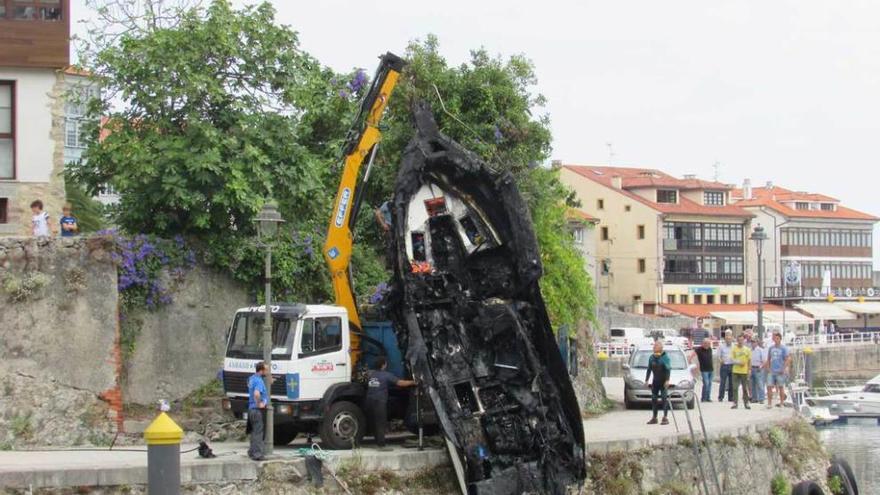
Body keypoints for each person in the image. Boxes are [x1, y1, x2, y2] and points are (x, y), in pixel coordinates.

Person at [365, 356, 417, 451]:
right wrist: (413, 382)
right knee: (380, 422)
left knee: (373, 422)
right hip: (379, 401)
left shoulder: (370, 375)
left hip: (369, 401)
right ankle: (381, 446)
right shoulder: (386, 375)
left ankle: (377, 441)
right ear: (383, 365)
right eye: (385, 363)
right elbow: (400, 383)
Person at [645, 341, 672, 425]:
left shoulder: (665, 357)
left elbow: (668, 369)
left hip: (663, 381)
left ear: (660, 348)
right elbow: (649, 369)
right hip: (655, 381)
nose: (653, 348)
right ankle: (654, 417)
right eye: (653, 347)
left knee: (664, 398)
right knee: (654, 399)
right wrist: (646, 380)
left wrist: (667, 380)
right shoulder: (652, 357)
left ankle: (665, 417)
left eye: (655, 347)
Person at [247, 362, 269, 461]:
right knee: (258, 432)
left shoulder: (252, 378)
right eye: (266, 370)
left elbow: (250, 387)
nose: (267, 372)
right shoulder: (259, 381)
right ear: (261, 370)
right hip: (257, 409)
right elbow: (256, 394)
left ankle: (251, 452)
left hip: (251, 409)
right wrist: (260, 403)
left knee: (253, 432)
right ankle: (257, 454)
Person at [766, 332, 792, 409]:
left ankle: (781, 402)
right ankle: (769, 403)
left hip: (780, 371)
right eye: (775, 338)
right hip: (772, 370)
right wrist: (768, 368)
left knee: (781, 387)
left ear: (780, 339)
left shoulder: (783, 348)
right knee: (769, 386)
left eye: (778, 338)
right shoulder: (771, 348)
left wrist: (783, 369)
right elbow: (768, 359)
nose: (776, 340)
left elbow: (787, 359)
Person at [730, 334, 752, 409]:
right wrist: (739, 362)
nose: (740, 342)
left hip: (744, 371)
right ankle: (735, 403)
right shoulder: (734, 349)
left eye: (741, 340)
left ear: (743, 341)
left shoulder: (747, 349)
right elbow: (732, 359)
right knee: (735, 387)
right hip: (735, 370)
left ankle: (746, 403)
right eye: (739, 340)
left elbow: (749, 361)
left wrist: (749, 370)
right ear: (737, 341)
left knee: (744, 388)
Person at [690, 338, 714, 402]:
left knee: (710, 384)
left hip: (711, 369)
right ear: (703, 343)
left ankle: (708, 397)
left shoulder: (710, 349)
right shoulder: (699, 349)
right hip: (704, 369)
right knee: (706, 383)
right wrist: (690, 360)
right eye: (705, 343)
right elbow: (692, 355)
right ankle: (703, 398)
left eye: (708, 343)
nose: (707, 345)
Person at [717, 330, 735, 402]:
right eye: (727, 338)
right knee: (723, 382)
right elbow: (718, 356)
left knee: (731, 382)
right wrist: (721, 360)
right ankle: (720, 397)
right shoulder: (721, 346)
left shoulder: (734, 346)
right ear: (725, 338)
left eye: (730, 338)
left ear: (732, 338)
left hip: (732, 365)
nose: (728, 340)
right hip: (724, 366)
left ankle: (731, 397)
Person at [750, 338, 767, 404]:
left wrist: (761, 367)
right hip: (752, 368)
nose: (753, 343)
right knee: (753, 384)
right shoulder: (750, 350)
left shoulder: (760, 350)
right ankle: (754, 398)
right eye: (752, 342)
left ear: (757, 343)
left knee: (760, 384)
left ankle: (761, 398)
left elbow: (764, 361)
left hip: (758, 368)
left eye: (754, 342)